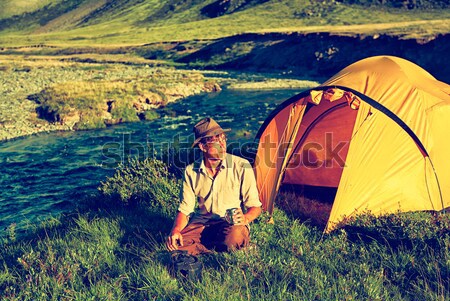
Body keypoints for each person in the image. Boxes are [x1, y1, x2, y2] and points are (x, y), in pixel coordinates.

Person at [166, 117, 262, 255]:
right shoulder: (190, 171)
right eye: (216, 141)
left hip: (230, 224)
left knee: (233, 238)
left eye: (223, 139)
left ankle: (207, 248)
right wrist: (175, 231)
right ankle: (216, 248)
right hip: (201, 224)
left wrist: (245, 218)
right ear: (203, 147)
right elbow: (185, 210)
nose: (222, 145)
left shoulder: (242, 166)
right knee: (175, 246)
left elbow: (255, 207)